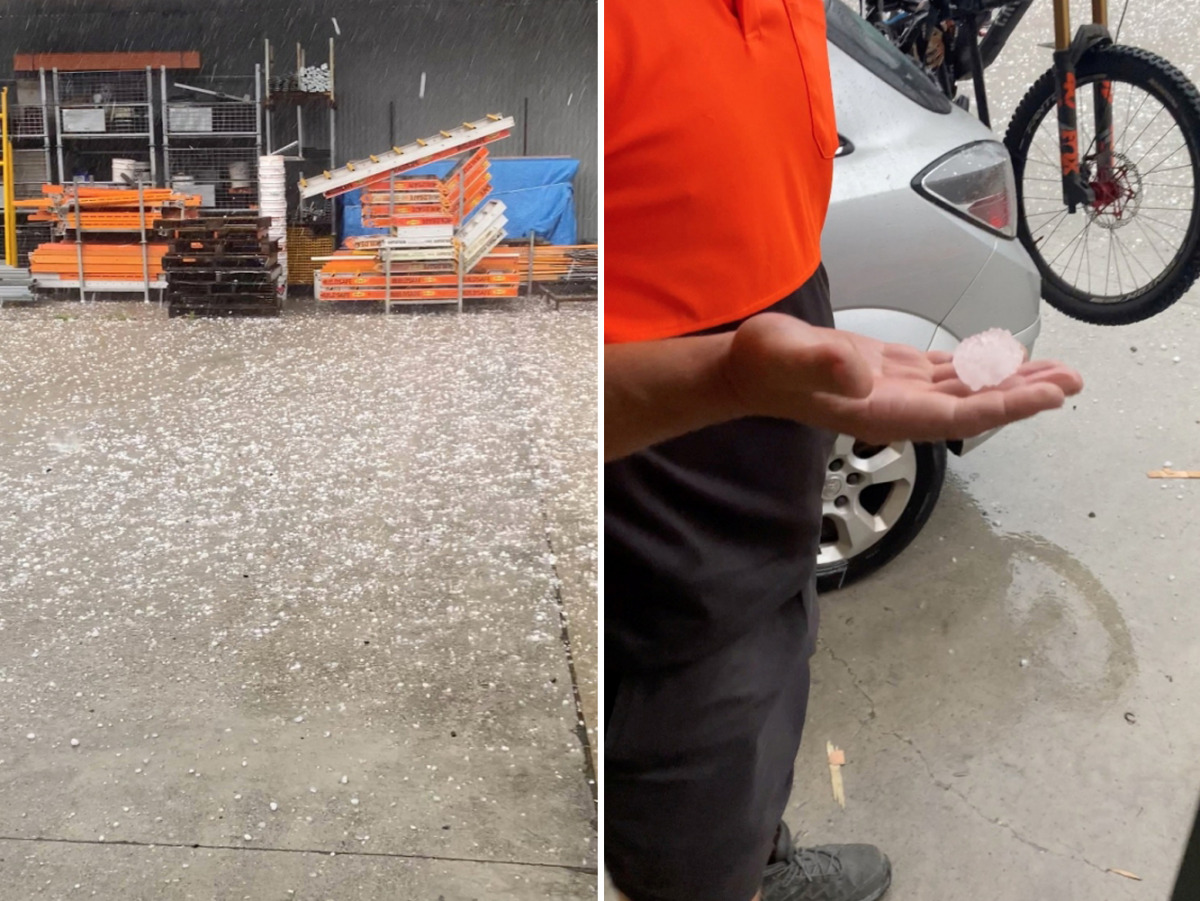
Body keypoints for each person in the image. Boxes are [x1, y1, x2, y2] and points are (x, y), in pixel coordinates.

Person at [603, 2, 1085, 901]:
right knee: (695, 696)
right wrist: (722, 380)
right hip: (654, 431)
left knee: (769, 650)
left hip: (778, 330)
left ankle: (749, 847)